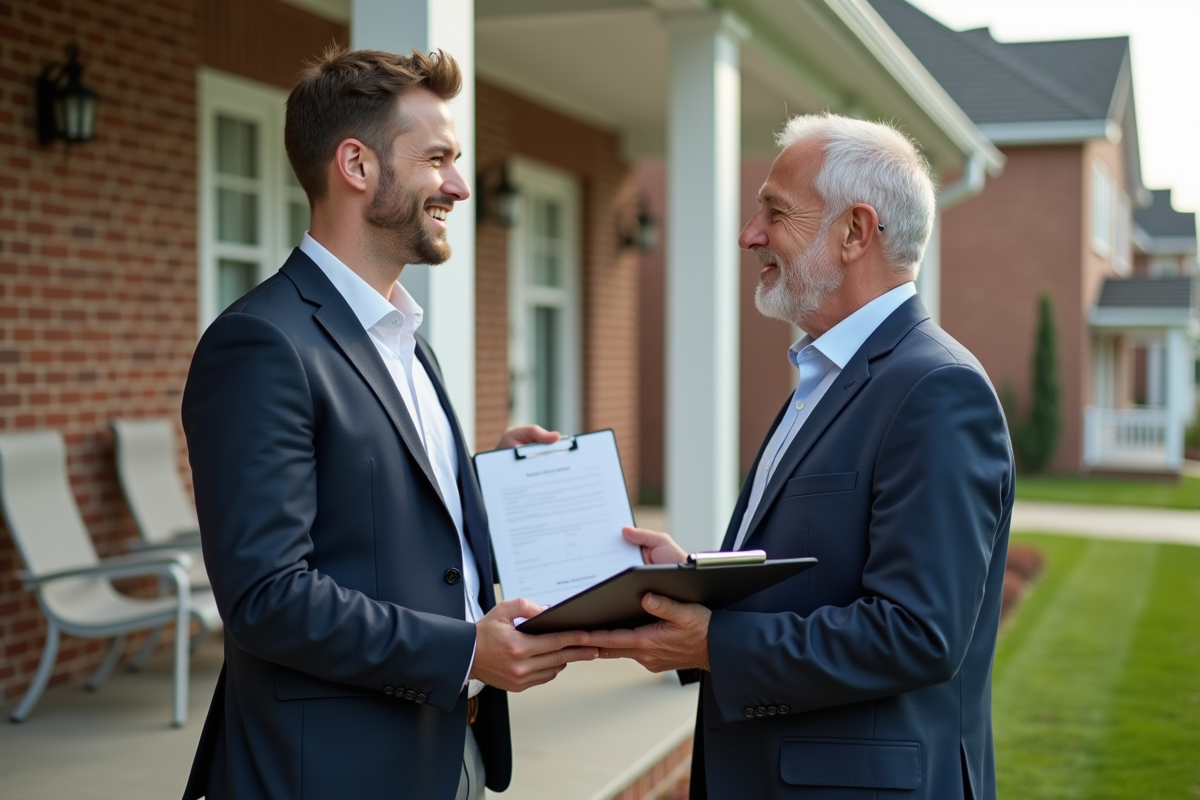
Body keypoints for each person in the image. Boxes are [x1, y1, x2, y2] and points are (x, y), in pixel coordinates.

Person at [181, 47, 597, 800]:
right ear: (357, 165)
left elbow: (378, 513)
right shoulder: (261, 343)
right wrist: (466, 653)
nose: (460, 186)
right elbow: (267, 598)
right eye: (437, 159)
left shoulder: (404, 337)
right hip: (332, 769)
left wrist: (483, 482)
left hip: (449, 753)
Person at [589, 114, 1014, 800]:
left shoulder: (936, 390)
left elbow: (919, 633)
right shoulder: (828, 376)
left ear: (855, 231)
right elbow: (820, 566)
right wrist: (695, 580)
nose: (748, 234)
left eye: (774, 211)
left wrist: (713, 644)